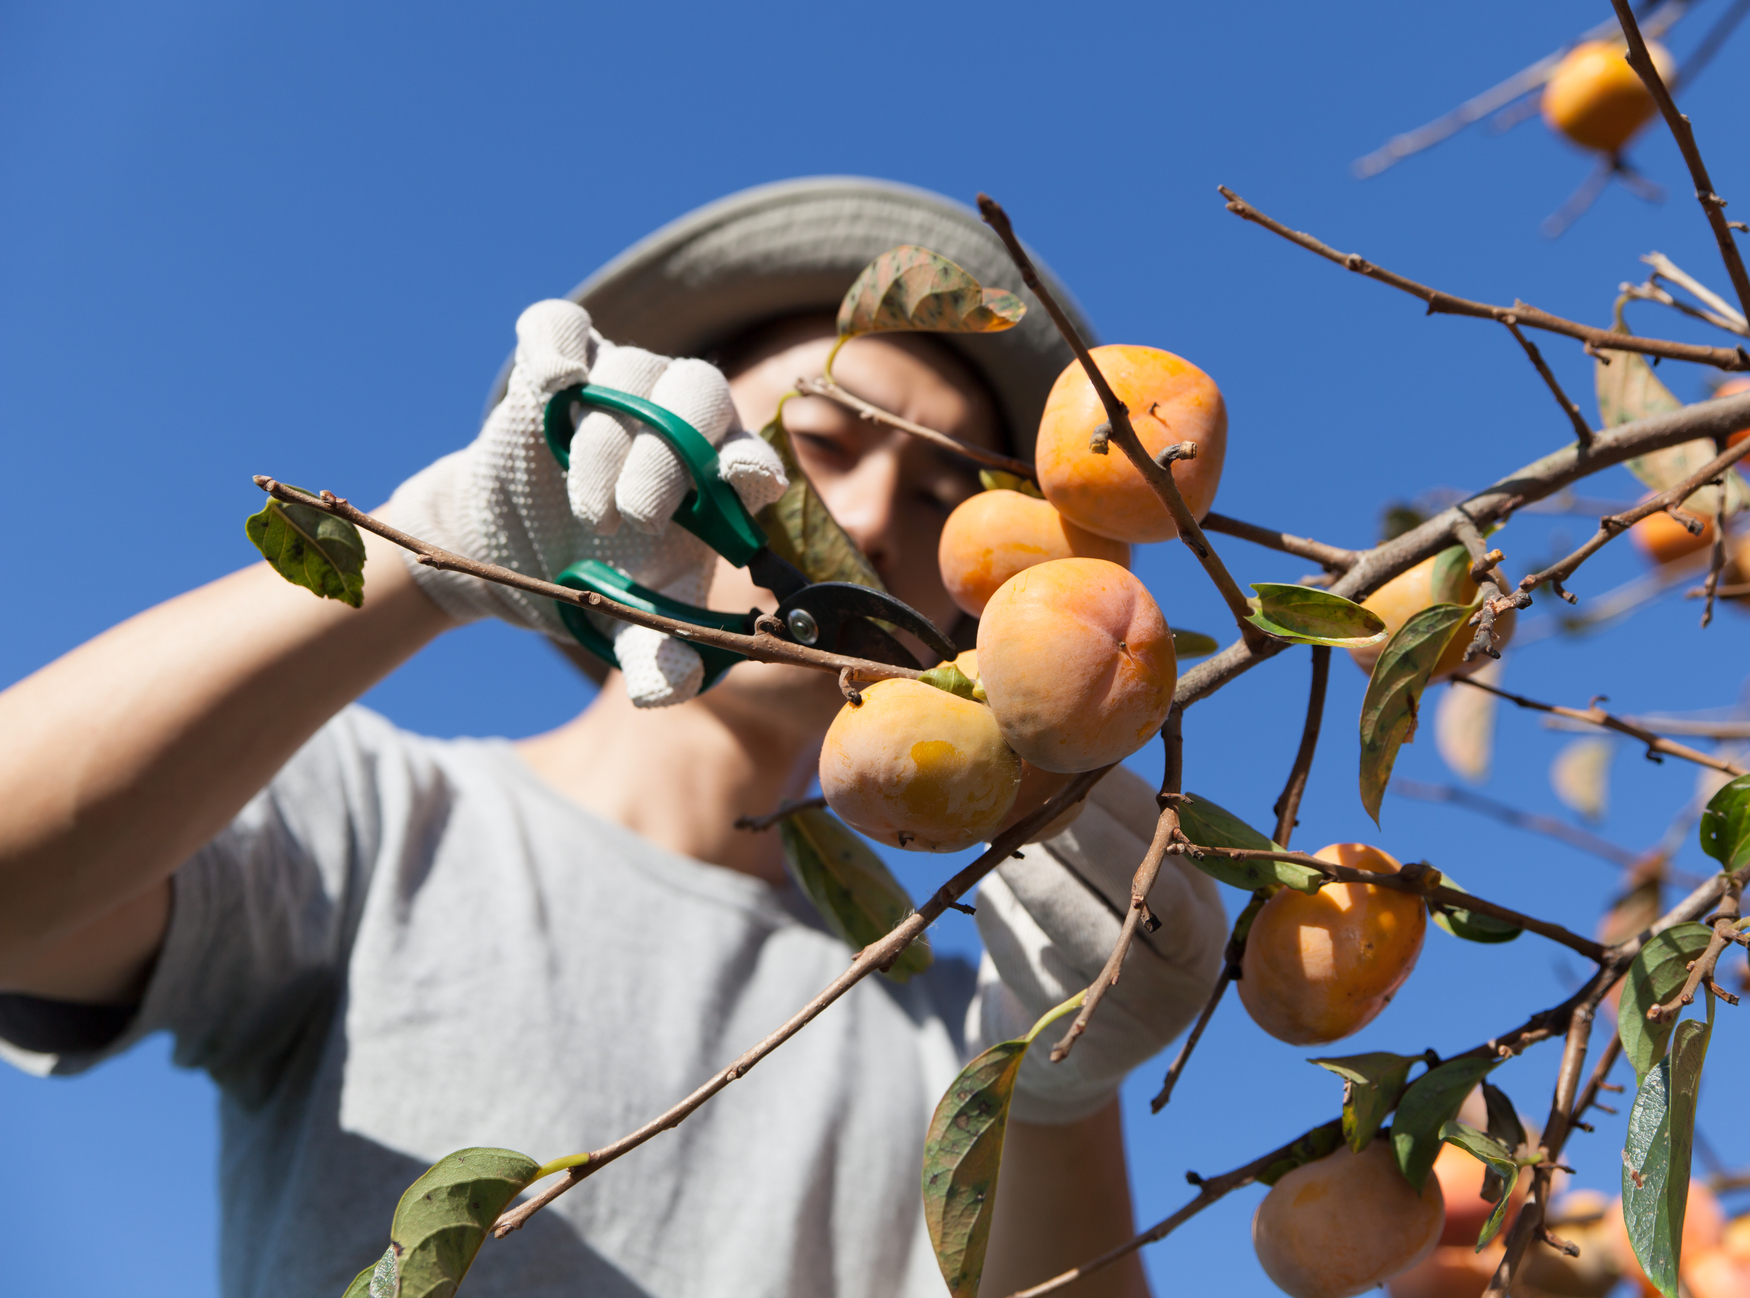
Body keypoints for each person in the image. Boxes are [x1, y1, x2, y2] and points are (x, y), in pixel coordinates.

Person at [0, 178, 1227, 1298]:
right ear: (669, 452)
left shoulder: (942, 1027)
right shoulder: (378, 822)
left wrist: (1059, 1088)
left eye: (936, 493)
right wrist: (430, 544)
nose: (860, 516)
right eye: (823, 443)